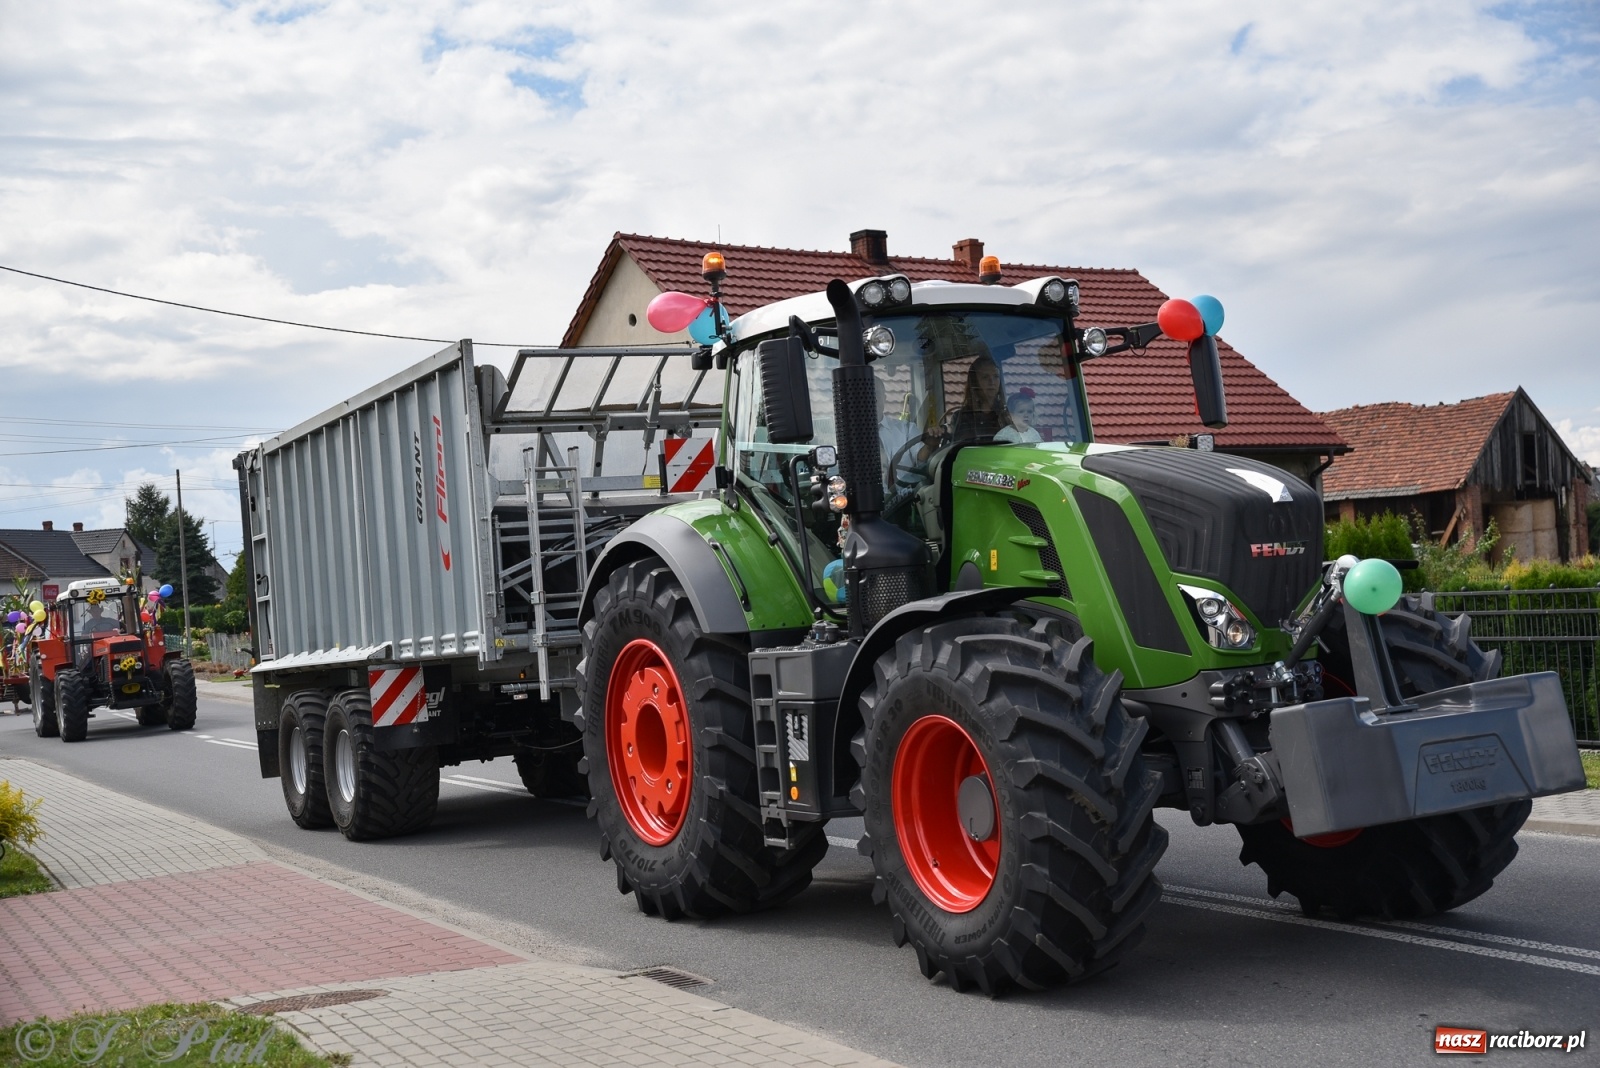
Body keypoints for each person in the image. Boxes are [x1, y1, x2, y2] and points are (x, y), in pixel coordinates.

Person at [947, 354, 1008, 443]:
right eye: (985, 377)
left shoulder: (1006, 414)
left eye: (996, 376)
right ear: (975, 383)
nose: (992, 382)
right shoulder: (962, 417)